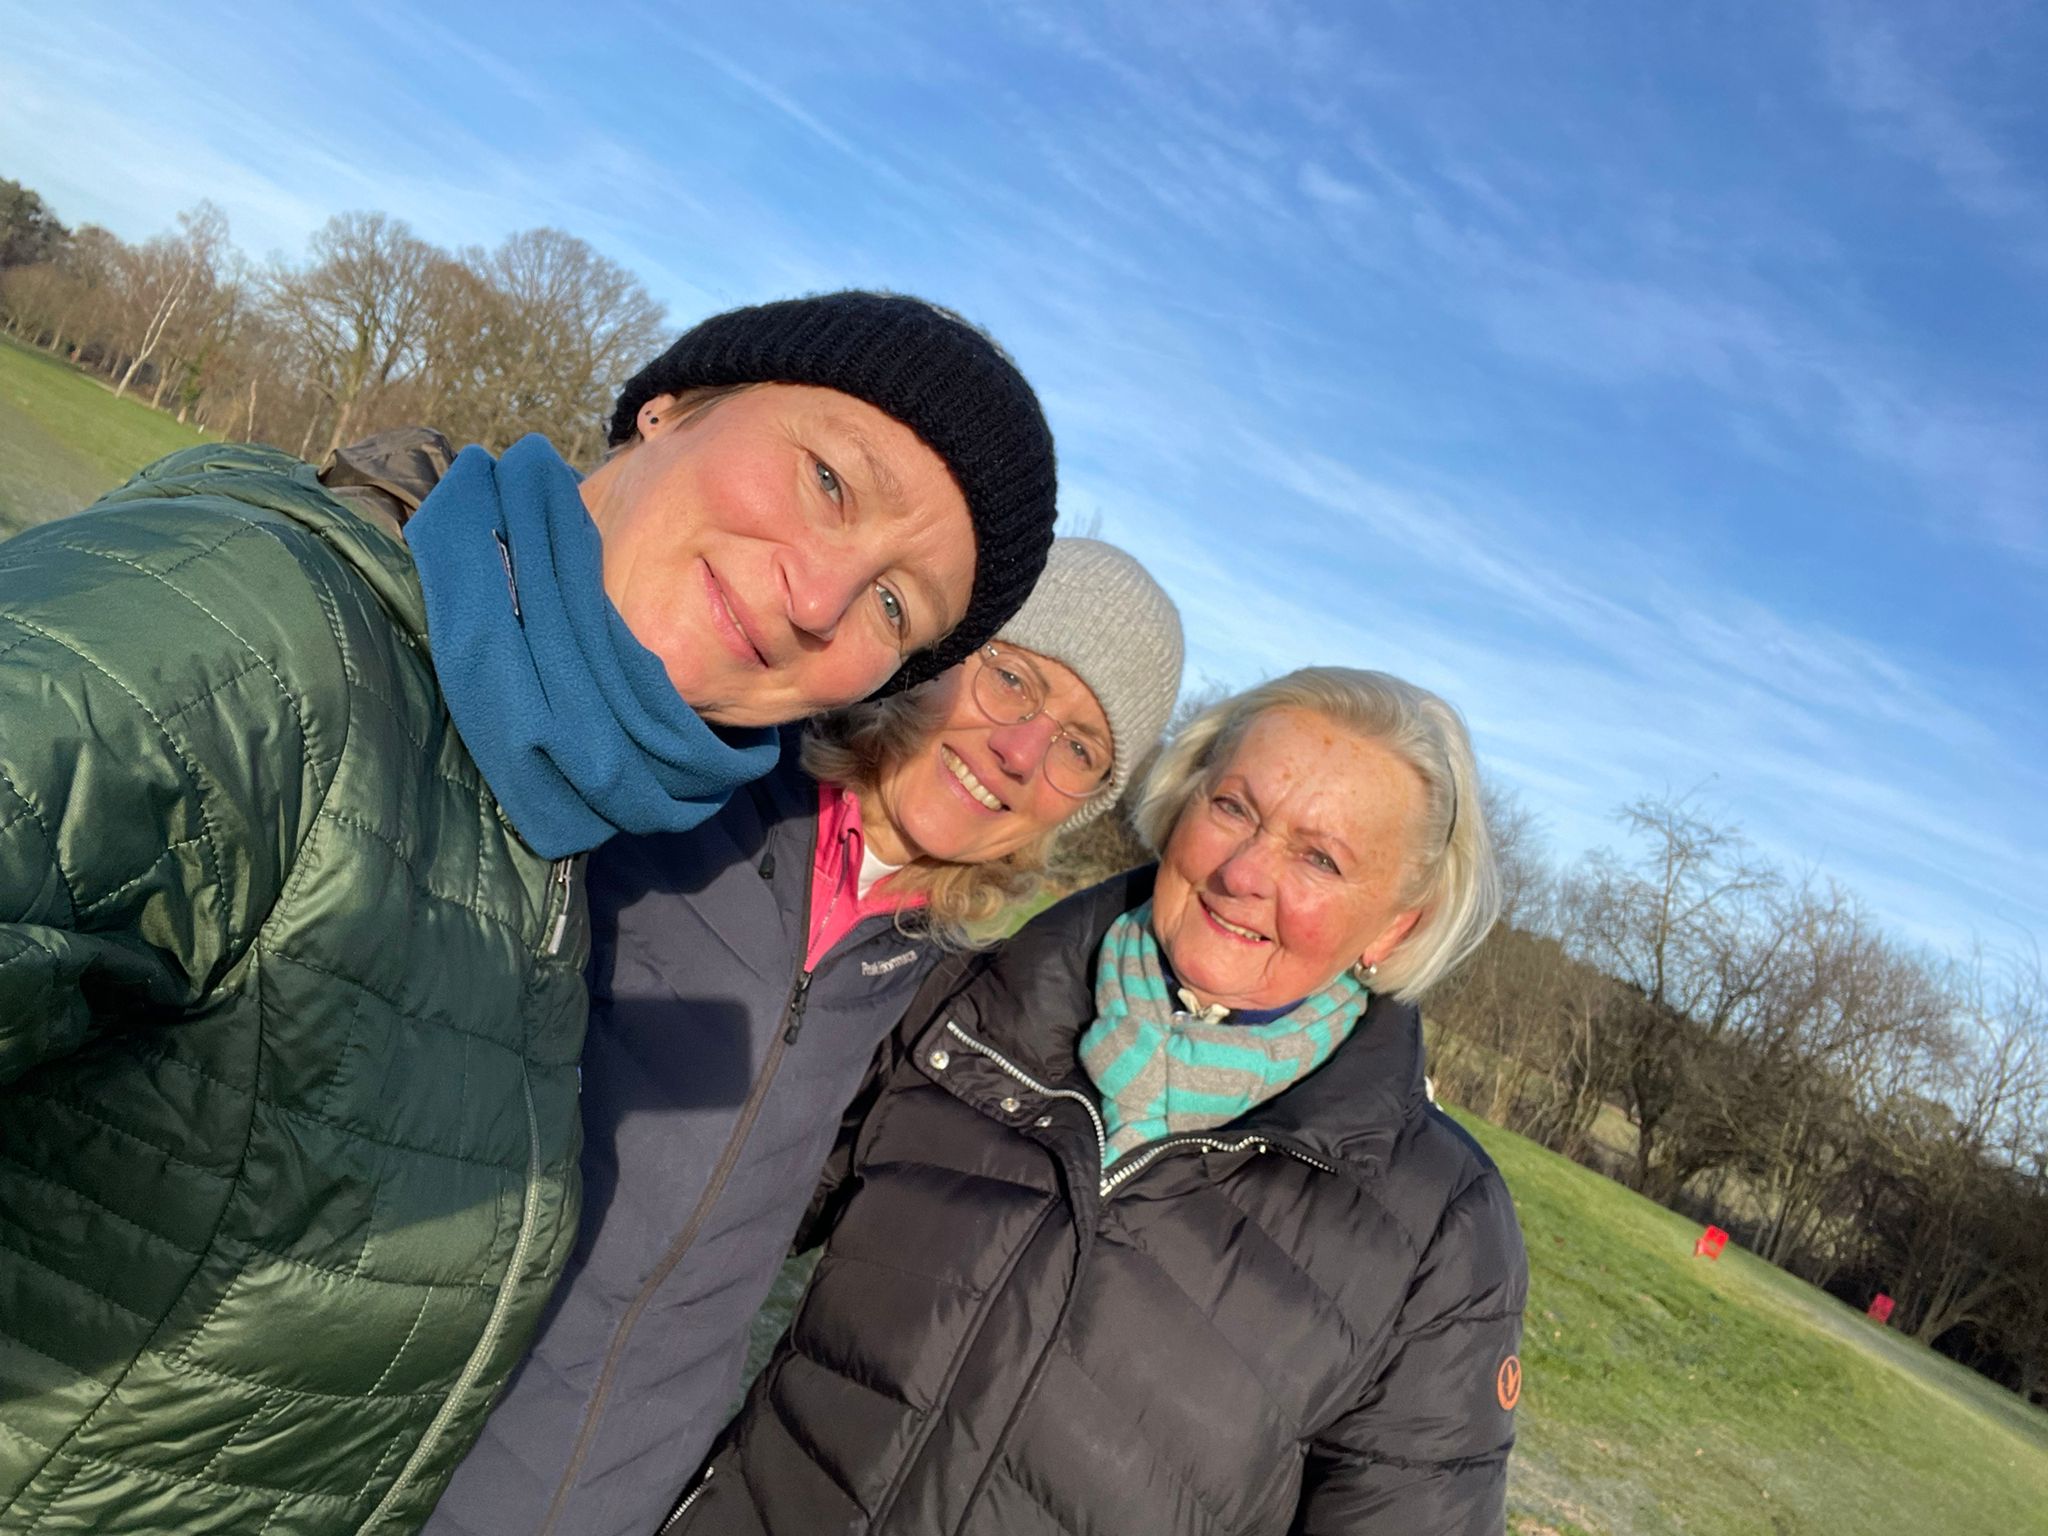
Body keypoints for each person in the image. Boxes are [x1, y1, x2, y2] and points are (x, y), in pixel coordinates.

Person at [0, 291, 1058, 1534]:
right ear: (669, 405)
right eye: (827, 479)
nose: (821, 598)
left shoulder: (563, 816)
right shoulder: (255, 637)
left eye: (893, 608)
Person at [422, 538, 1184, 1536]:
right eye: (1012, 678)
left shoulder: (944, 1003)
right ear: (938, 652)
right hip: (380, 1416)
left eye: (1080, 749)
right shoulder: (691, 776)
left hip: (603, 1497)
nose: (1020, 753)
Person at [671, 667, 1527, 1535]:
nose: (1243, 872)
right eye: (1234, 807)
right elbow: (688, 1233)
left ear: (1396, 926)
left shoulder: (1441, 1231)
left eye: (1320, 858)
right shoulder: (966, 1005)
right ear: (1183, 799)